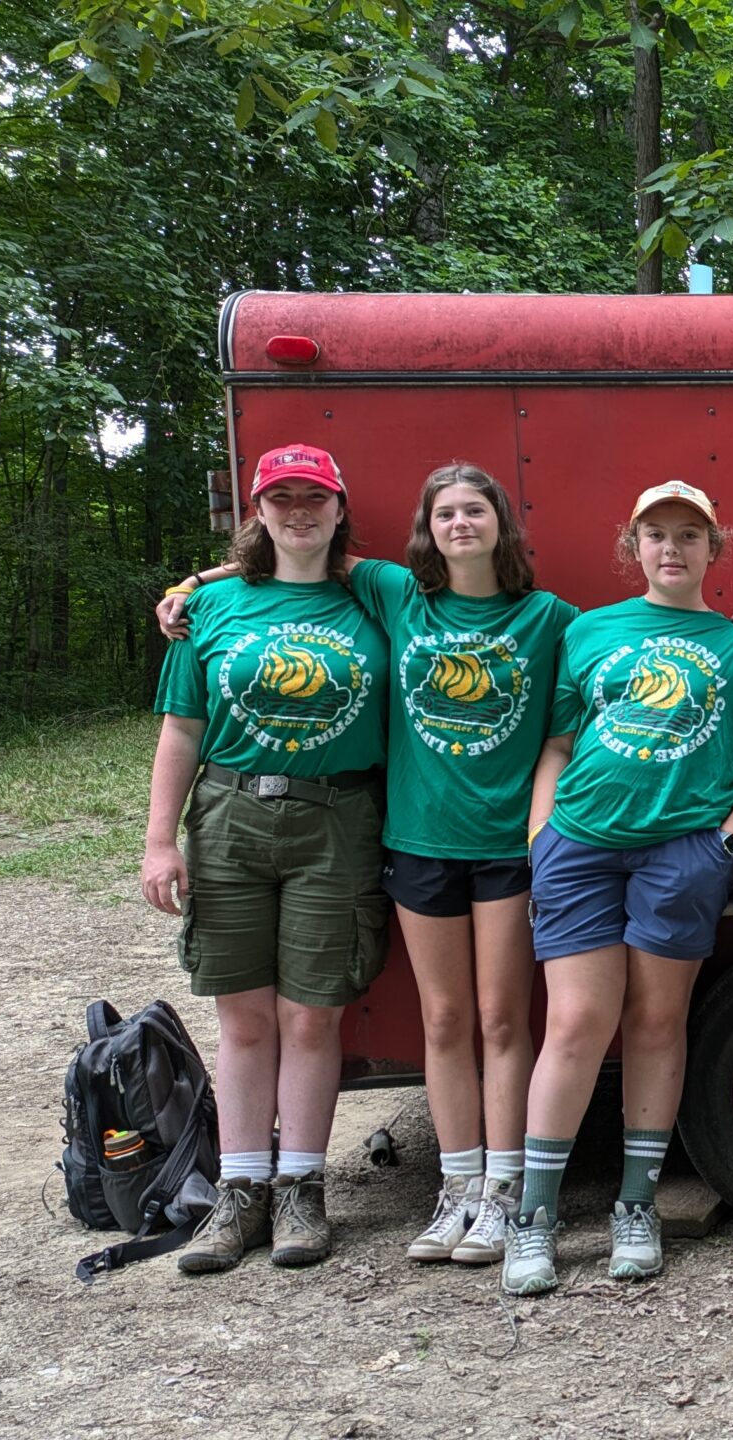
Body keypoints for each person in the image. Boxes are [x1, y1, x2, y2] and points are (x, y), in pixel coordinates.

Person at [160, 462, 576, 1268]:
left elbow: (618, 647)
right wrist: (191, 585)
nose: (461, 524)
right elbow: (299, 550)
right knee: (446, 1021)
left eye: (475, 511)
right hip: (418, 842)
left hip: (506, 849)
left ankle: (501, 1195)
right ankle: (455, 1189)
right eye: (446, 512)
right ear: (429, 528)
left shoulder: (549, 616)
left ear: (502, 524)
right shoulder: (396, 594)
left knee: (501, 1019)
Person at [503, 480, 733, 1296]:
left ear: (712, 549)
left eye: (689, 535)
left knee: (657, 1023)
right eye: (655, 534)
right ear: (634, 548)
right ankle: (537, 1215)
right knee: (579, 1021)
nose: (672, 548)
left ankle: (636, 1205)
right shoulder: (590, 632)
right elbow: (557, 744)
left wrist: (721, 846)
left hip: (681, 855)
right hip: (581, 847)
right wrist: (541, 835)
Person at [143, 444, 391, 1275]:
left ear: (338, 505)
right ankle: (239, 1192)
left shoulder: (371, 597)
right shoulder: (213, 609)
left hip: (338, 815)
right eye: (280, 498)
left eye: (313, 497)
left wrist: (194, 580)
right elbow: (180, 728)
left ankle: (301, 1189)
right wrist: (157, 840)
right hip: (230, 815)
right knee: (244, 1018)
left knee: (313, 1015)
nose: (298, 511)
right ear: (258, 510)